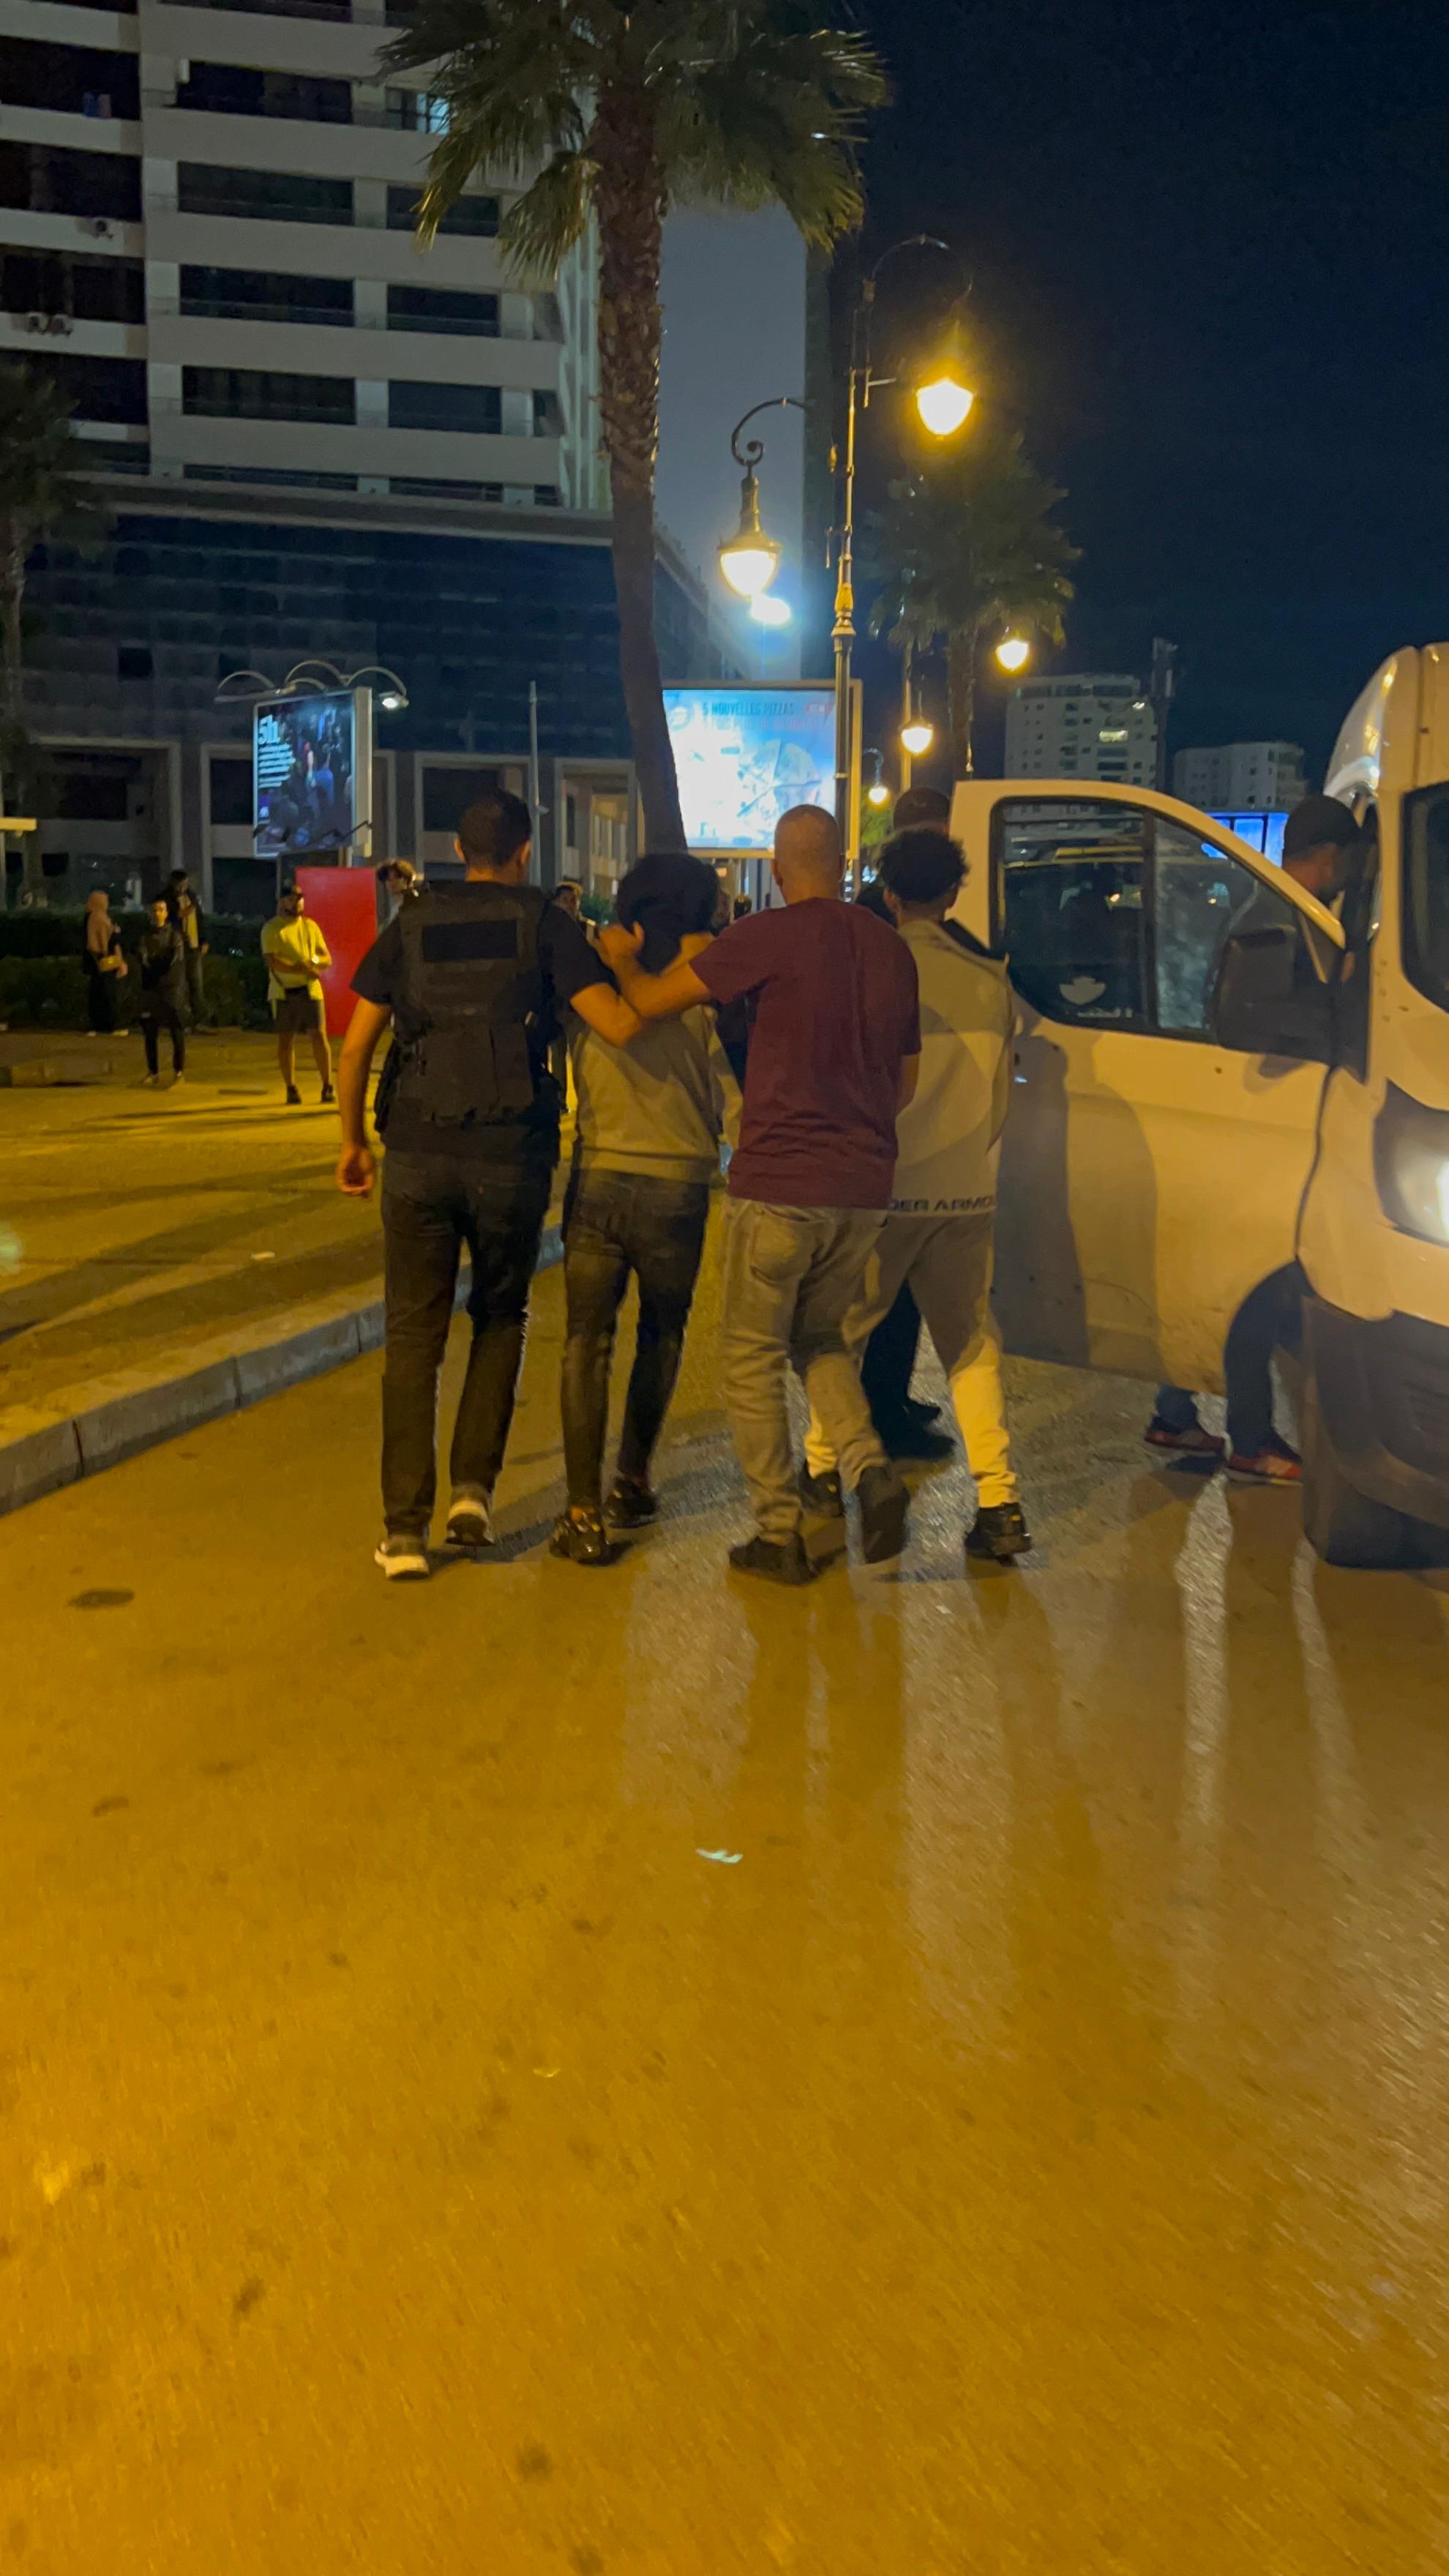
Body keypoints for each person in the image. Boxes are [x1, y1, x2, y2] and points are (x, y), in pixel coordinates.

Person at [602, 804, 919, 1586]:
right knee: (820, 1339)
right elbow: (905, 1082)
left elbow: (649, 1004)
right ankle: (868, 1466)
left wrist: (622, 961)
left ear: (776, 870)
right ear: (842, 864)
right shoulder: (891, 948)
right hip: (864, 1186)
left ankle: (778, 1531)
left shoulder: (765, 936)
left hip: (781, 1182)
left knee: (749, 1357)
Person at [335, 788, 645, 1581]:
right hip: (512, 1153)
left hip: (417, 1149)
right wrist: (628, 963)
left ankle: (405, 1531)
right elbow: (616, 1024)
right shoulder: (545, 922)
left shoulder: (413, 920)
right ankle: (472, 1494)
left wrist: (352, 1142)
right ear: (525, 852)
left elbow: (356, 1045)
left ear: (457, 850)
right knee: (501, 1315)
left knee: (413, 1336)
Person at [803, 828, 1029, 1564]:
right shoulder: (991, 979)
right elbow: (1000, 1101)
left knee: (841, 1336)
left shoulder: (871, 968)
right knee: (971, 1346)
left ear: (890, 894)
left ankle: (820, 1476)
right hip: (966, 1194)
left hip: (885, 1188)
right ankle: (999, 1502)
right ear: (953, 893)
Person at [1145, 790, 1366, 1485]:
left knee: (1228, 1276)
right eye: (1348, 861)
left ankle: (1173, 1412)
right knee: (1257, 1287)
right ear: (1327, 856)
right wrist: (1339, 1016)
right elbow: (1249, 1017)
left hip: (1245, 1119)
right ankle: (1250, 1437)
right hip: (1254, 1126)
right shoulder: (1277, 919)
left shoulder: (1280, 912)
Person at [554, 852, 738, 1567]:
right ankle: (631, 1480)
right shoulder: (712, 980)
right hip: (679, 1183)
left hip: (600, 1173)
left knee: (585, 1341)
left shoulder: (595, 972)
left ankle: (582, 1512)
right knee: (661, 1334)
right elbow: (732, 1087)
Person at [857, 786, 959, 1462]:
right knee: (882, 1292)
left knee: (899, 1288)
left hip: (916, 1105)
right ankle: (876, 1413)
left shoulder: (883, 908)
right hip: (896, 1105)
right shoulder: (880, 916)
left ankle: (890, 1396)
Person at [261, 880, 334, 1107]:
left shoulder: (310, 926)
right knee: (286, 1040)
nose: (297, 903)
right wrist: (299, 968)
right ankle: (291, 1087)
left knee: (319, 1035)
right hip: (283, 991)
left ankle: (327, 1085)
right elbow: (272, 961)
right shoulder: (272, 928)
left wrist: (313, 964)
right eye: (292, 899)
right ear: (282, 902)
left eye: (300, 899)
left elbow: (326, 957)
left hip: (310, 989)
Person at [137, 896, 187, 1087]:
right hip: (153, 988)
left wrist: (158, 967)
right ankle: (153, 1072)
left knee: (176, 1030)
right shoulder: (146, 937)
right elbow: (142, 956)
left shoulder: (174, 936)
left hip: (170, 988)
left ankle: (179, 1071)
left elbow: (175, 959)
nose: (157, 913)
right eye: (155, 910)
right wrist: (150, 966)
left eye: (161, 910)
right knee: (150, 1031)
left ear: (166, 913)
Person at [165, 869, 208, 1027]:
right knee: (179, 984)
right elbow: (171, 919)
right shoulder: (167, 898)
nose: (184, 886)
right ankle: (180, 1020)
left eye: (186, 883)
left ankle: (199, 1020)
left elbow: (200, 919)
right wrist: (183, 912)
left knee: (196, 983)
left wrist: (204, 940)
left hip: (193, 945)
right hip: (178, 947)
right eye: (181, 884)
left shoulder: (192, 897)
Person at [82, 889, 128, 1035]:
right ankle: (111, 1025)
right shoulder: (100, 918)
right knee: (108, 994)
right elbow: (106, 941)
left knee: (97, 995)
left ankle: (96, 1025)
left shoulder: (90, 918)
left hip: (95, 962)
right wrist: (115, 933)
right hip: (104, 961)